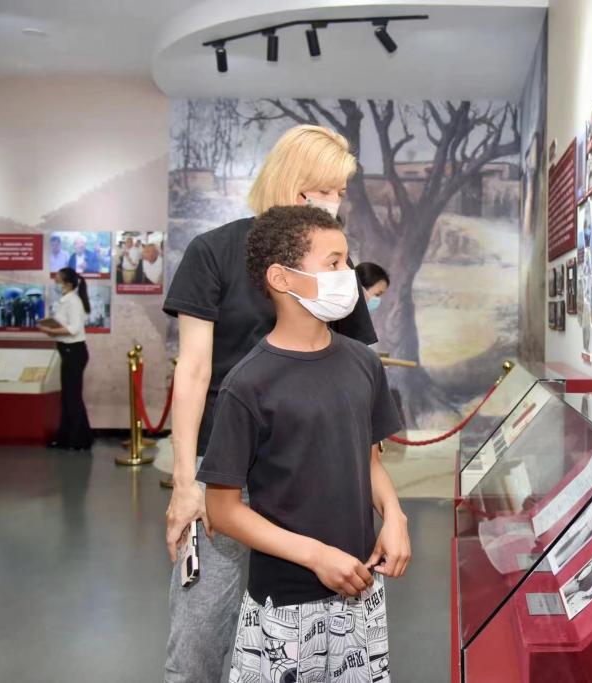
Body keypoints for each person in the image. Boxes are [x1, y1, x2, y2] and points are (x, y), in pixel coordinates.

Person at [162, 124, 379, 683]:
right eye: (325, 189)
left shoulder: (333, 266)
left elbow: (357, 378)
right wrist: (185, 483)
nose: (334, 202)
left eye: (339, 192)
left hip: (309, 470)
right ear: (293, 182)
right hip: (225, 469)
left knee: (312, 634)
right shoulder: (212, 251)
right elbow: (193, 370)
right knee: (200, 632)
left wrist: (382, 500)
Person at [201, 205, 408, 681]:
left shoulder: (363, 363)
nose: (347, 275)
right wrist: (316, 555)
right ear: (282, 277)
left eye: (347, 261)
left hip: (359, 589)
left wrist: (395, 516)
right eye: (332, 263)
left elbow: (369, 461)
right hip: (285, 606)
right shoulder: (247, 384)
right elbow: (223, 509)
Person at [40, 268, 94, 450]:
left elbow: (73, 329)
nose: (55, 281)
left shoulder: (73, 302)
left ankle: (78, 439)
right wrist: (52, 330)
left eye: (58, 279)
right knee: (68, 396)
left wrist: (50, 330)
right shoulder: (66, 301)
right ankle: (68, 437)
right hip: (67, 351)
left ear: (67, 283)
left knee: (72, 397)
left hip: (74, 352)